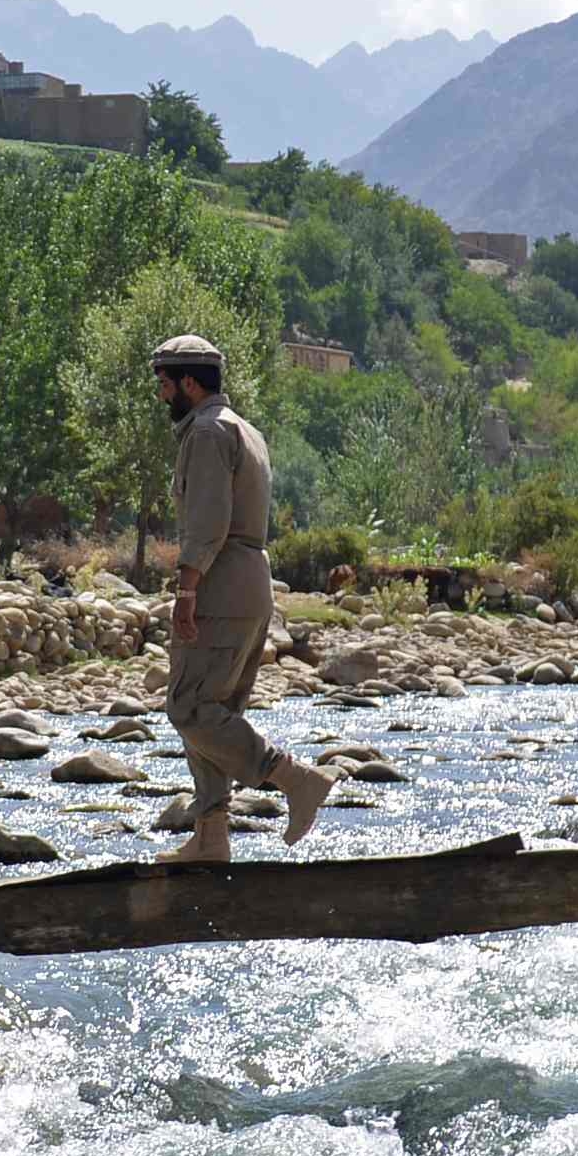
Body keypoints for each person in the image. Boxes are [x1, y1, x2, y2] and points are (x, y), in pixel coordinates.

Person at [153, 332, 330, 866]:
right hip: (250, 582)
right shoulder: (246, 430)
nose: (161, 396)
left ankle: (293, 777)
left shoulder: (206, 433)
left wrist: (187, 588)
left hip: (220, 582)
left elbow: (207, 521)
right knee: (215, 712)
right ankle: (211, 837)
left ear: (189, 383)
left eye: (164, 384)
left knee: (187, 707)